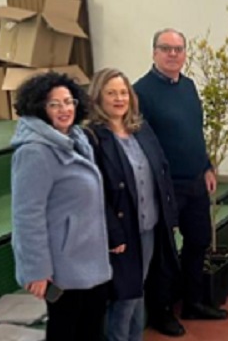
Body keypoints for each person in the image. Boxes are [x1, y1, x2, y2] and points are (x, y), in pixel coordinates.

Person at [134, 28, 228, 336]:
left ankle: (193, 302)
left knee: (198, 241)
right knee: (164, 253)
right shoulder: (141, 92)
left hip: (195, 181)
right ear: (154, 53)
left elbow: (194, 134)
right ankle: (161, 312)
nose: (173, 54)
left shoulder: (188, 87)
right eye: (166, 48)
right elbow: (142, 143)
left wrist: (207, 167)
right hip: (165, 186)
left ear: (185, 54)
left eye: (178, 49)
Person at [10, 72, 112, 341]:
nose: (64, 109)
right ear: (39, 107)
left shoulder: (77, 140)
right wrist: (37, 270)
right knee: (66, 331)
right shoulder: (34, 151)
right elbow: (26, 215)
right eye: (54, 104)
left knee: (91, 329)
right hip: (63, 265)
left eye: (68, 101)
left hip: (90, 257)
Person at [85, 68, 180, 341]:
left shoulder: (141, 129)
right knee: (125, 298)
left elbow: (161, 170)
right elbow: (95, 192)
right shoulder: (93, 137)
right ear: (98, 98)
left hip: (148, 227)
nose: (119, 98)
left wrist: (169, 217)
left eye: (123, 92)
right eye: (111, 93)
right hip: (121, 234)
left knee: (138, 292)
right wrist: (114, 232)